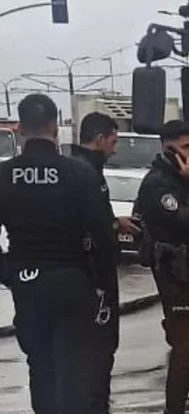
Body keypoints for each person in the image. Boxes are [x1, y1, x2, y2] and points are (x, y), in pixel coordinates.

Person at [0, 94, 117, 413]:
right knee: (74, 370)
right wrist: (102, 285)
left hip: (28, 282)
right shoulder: (78, 174)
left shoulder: (4, 176)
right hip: (72, 282)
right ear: (55, 125)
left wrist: (8, 271)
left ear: (21, 127)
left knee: (40, 367)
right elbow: (104, 236)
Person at [133, 120, 189, 414]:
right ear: (168, 150)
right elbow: (186, 221)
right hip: (177, 275)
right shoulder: (159, 184)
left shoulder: (181, 178)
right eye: (185, 148)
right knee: (186, 349)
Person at [69, 111, 142, 413]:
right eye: (113, 141)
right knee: (98, 350)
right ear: (99, 140)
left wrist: (115, 223)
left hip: (89, 275)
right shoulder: (84, 172)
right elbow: (86, 225)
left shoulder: (85, 169)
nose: (115, 148)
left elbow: (94, 219)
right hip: (93, 280)